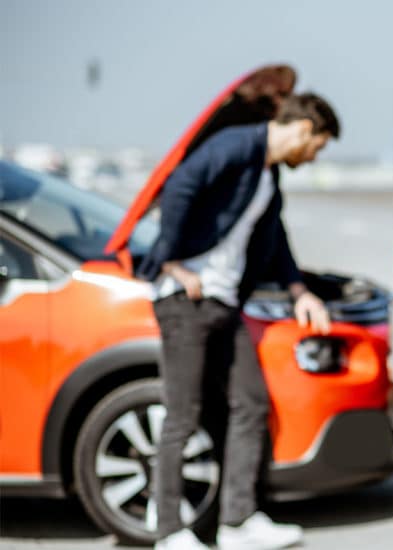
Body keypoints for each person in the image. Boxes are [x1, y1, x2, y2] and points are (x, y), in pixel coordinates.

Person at [137, 93, 340, 550]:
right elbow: (180, 185)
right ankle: (169, 531)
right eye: (318, 147)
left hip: (223, 305)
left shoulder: (266, 177)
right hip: (184, 301)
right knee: (182, 416)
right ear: (304, 129)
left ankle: (237, 523)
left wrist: (299, 291)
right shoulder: (236, 145)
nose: (313, 158)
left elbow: (277, 239)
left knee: (249, 405)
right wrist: (171, 262)